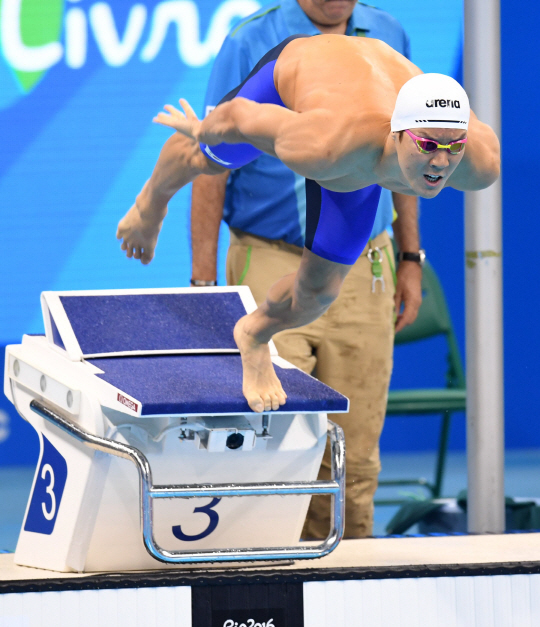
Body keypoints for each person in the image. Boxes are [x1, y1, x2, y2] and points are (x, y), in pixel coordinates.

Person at [116, 35, 500, 534]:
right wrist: (205, 128)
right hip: (305, 81)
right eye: (428, 145)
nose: (442, 162)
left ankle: (252, 331)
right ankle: (150, 204)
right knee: (208, 155)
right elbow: (240, 119)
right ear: (400, 134)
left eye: (452, 146)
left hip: (363, 154)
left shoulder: (479, 163)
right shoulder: (322, 142)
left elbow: (446, 148)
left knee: (317, 293)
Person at [189, 0, 420, 540]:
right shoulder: (252, 39)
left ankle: (349, 593)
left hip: (365, 266)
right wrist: (201, 285)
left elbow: (414, 158)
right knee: (273, 447)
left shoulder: (389, 35)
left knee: (356, 459)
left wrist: (410, 257)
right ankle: (263, 587)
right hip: (269, 258)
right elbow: (210, 159)